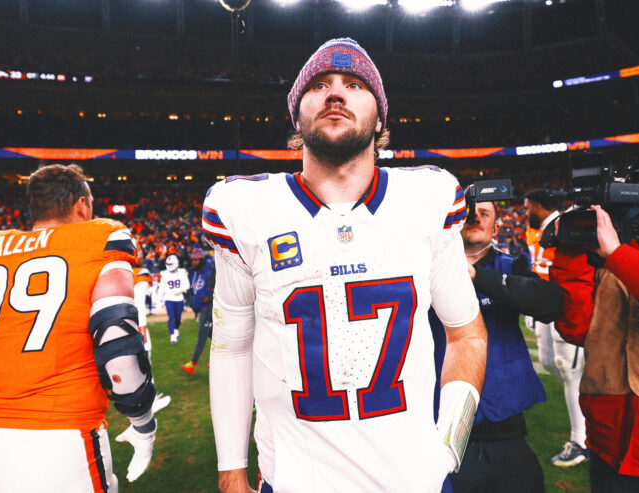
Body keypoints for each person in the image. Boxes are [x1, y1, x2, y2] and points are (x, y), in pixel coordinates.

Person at [203, 38, 487, 493]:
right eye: (318, 85)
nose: (335, 93)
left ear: (380, 118)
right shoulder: (245, 208)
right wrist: (231, 472)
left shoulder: (428, 198)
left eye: (354, 84)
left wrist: (450, 445)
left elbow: (467, 334)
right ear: (297, 116)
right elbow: (232, 347)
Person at [0, 164, 156, 492]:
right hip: (65, 445)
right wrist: (143, 423)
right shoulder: (100, 237)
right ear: (82, 204)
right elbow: (119, 346)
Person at [550, 166, 639, 491]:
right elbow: (578, 329)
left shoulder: (623, 259)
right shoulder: (623, 261)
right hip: (608, 449)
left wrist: (619, 255)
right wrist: (571, 254)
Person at [435, 199, 564, 493]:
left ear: (495, 227)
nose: (475, 217)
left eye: (484, 213)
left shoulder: (510, 265)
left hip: (506, 424)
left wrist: (477, 275)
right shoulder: (428, 268)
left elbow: (550, 303)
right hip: (444, 419)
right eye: (469, 212)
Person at [523, 188, 589, 467]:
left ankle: (581, 441)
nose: (525, 212)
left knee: (568, 370)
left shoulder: (567, 225)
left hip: (565, 305)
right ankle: (586, 399)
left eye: (528, 206)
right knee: (551, 363)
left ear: (540, 206)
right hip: (544, 304)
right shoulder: (535, 229)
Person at [132, 244, 172, 413]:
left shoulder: (120, 270)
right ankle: (150, 401)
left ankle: (143, 398)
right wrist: (141, 328)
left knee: (134, 363)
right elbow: (139, 304)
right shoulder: (140, 273)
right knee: (144, 361)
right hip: (135, 323)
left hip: (121, 322)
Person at [181, 247, 216, 375]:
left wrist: (210, 296)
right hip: (200, 307)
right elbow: (193, 289)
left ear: (201, 259)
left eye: (196, 260)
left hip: (208, 307)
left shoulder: (210, 270)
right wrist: (193, 304)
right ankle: (218, 360)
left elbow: (215, 286)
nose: (194, 262)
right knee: (213, 335)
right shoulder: (194, 272)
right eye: (193, 260)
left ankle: (192, 364)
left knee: (202, 335)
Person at [159, 254, 190, 345]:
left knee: (178, 318)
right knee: (171, 317)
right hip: (168, 298)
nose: (169, 266)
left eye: (171, 264)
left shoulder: (182, 272)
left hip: (179, 298)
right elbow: (161, 288)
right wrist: (159, 300)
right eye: (168, 264)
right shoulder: (164, 274)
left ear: (176, 263)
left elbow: (187, 285)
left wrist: (179, 290)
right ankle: (172, 336)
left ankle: (176, 330)